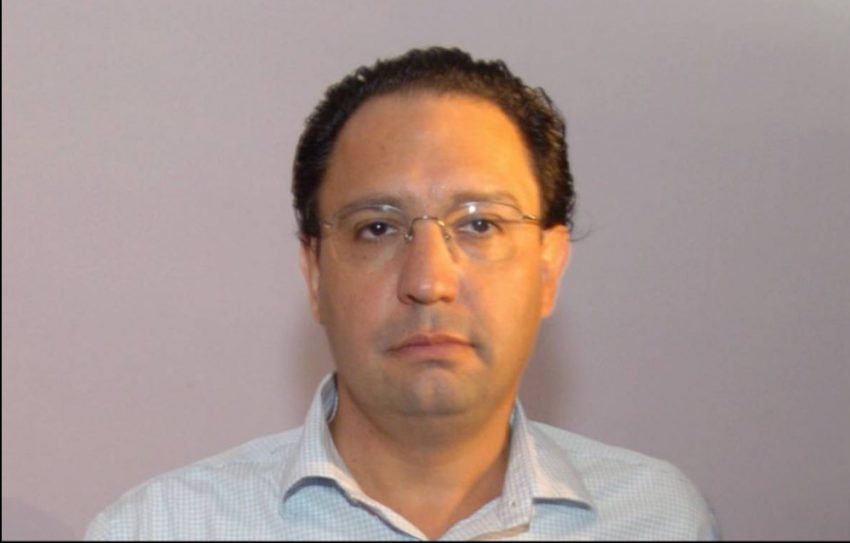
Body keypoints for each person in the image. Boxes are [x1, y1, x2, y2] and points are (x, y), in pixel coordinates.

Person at [86, 47, 719, 540]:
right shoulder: (160, 528)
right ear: (315, 273)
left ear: (548, 269)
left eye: (480, 224)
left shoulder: (659, 518)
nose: (428, 282)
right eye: (378, 228)